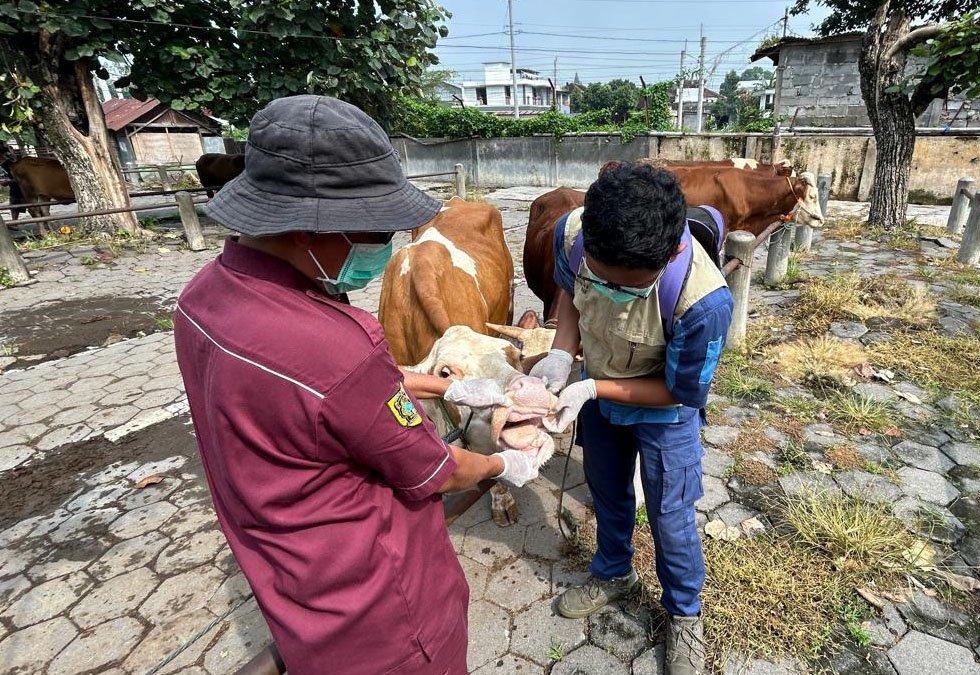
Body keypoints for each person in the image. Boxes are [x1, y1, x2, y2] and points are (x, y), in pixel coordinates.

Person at [173, 95, 540, 675]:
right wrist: (504, 467)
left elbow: (318, 398)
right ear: (307, 227)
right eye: (372, 226)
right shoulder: (339, 344)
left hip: (292, 589)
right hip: (383, 613)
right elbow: (433, 469)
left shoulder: (201, 299)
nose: (383, 242)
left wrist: (434, 385)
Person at [532, 162, 734, 675]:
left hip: (662, 411)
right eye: (602, 277)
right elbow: (572, 295)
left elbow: (677, 391)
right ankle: (613, 572)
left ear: (667, 256)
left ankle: (685, 615)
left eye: (628, 288)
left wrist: (592, 385)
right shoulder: (574, 233)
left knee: (670, 515)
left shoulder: (703, 301)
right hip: (597, 398)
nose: (611, 292)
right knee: (606, 489)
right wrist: (560, 353)